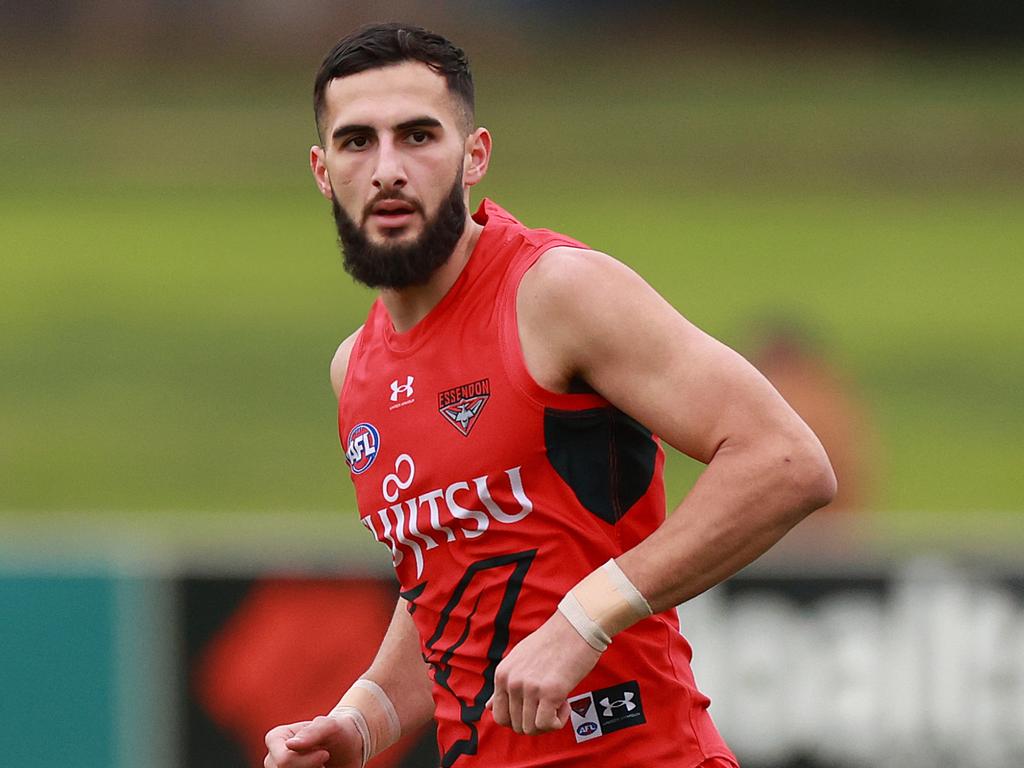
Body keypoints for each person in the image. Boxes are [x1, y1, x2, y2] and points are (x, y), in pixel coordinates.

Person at [264, 22, 836, 768]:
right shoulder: (356, 369)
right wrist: (361, 722)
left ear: (474, 158)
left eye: (418, 136)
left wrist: (585, 619)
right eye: (357, 142)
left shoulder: (553, 293)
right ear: (321, 169)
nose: (387, 169)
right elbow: (449, 579)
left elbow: (786, 461)